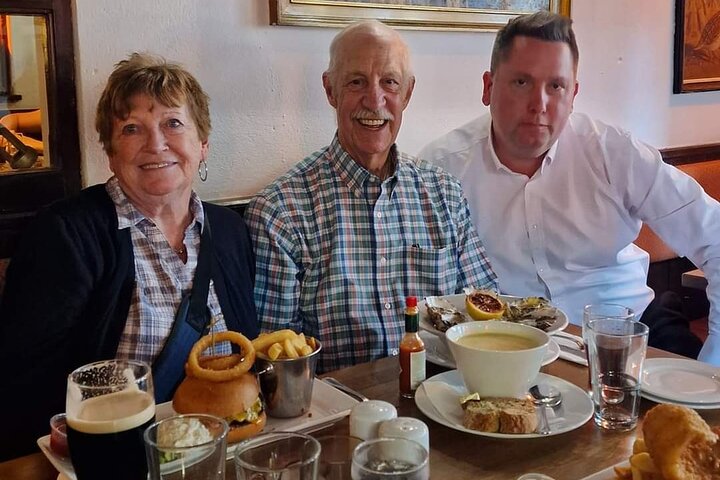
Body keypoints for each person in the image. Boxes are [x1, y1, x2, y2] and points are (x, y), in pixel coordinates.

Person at [420, 11, 720, 363]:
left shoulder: (613, 152)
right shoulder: (442, 170)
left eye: (556, 86)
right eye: (521, 82)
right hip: (509, 349)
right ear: (488, 87)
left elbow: (714, 235)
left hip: (630, 333)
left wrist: (714, 360)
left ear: (573, 94)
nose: (539, 105)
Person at [0, 53, 258, 460]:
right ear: (111, 153)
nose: (156, 144)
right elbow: (24, 384)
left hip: (224, 450)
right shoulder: (66, 235)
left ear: (203, 144)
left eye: (173, 123)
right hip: (118, 458)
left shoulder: (230, 232)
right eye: (132, 128)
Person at [244, 20, 497, 373]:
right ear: (330, 90)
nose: (375, 100)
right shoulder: (280, 211)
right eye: (356, 82)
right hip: (339, 402)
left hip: (445, 393)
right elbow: (278, 364)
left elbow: (485, 316)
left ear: (407, 93)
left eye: (389, 82)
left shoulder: (445, 194)